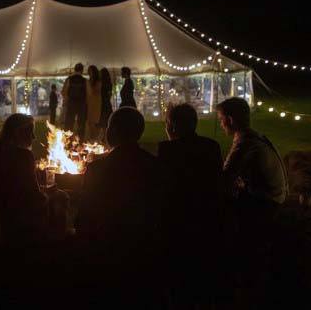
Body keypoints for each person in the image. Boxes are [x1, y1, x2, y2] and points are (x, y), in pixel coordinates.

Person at [76, 107, 165, 295]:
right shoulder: (155, 165)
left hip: (108, 251)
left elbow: (84, 215)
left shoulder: (97, 169)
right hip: (147, 251)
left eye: (108, 126)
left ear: (113, 131)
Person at [217, 97, 288, 294]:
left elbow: (225, 177)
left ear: (230, 120)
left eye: (221, 119)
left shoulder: (244, 143)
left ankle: (238, 271)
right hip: (274, 195)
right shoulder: (254, 137)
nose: (221, 124)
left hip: (266, 202)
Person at [157, 103, 223, 303]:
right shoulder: (212, 146)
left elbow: (163, 186)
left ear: (173, 126)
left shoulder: (168, 149)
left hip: (179, 219)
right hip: (209, 217)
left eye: (168, 124)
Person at [0, 114, 48, 247]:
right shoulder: (24, 157)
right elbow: (34, 196)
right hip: (13, 224)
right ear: (18, 133)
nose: (34, 137)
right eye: (30, 132)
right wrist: (48, 196)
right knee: (60, 198)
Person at [61, 63, 87, 139]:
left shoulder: (69, 79)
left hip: (71, 103)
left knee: (69, 123)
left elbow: (63, 92)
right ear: (82, 70)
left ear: (74, 69)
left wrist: (66, 100)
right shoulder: (84, 80)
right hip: (81, 104)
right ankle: (81, 140)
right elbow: (88, 94)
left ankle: (67, 141)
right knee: (81, 124)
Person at [85, 65, 102, 140]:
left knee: (93, 122)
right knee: (89, 122)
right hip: (89, 103)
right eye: (88, 71)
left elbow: (96, 91)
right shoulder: (89, 81)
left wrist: (89, 87)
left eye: (90, 71)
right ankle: (92, 138)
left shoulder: (98, 81)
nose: (89, 73)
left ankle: (95, 137)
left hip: (95, 103)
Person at [99, 68, 113, 138]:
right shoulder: (109, 83)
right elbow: (110, 94)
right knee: (106, 121)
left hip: (103, 104)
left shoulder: (101, 83)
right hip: (107, 104)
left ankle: (104, 136)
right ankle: (105, 136)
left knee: (103, 121)